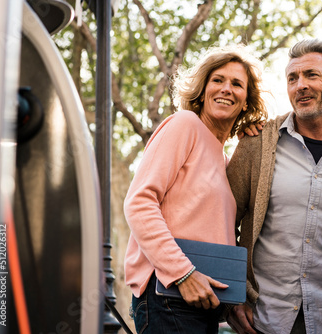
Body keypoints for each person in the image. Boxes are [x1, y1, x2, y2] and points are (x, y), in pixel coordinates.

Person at [225, 39, 322, 334]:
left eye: (311, 75)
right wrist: (232, 298)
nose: (301, 85)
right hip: (267, 319)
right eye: (292, 78)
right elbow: (221, 223)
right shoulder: (256, 143)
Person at [123, 44, 267, 334]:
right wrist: (182, 273)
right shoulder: (184, 124)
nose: (226, 88)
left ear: (246, 103)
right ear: (202, 90)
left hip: (205, 301)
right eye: (218, 80)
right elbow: (139, 202)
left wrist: (253, 145)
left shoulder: (226, 160)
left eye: (237, 84)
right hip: (169, 294)